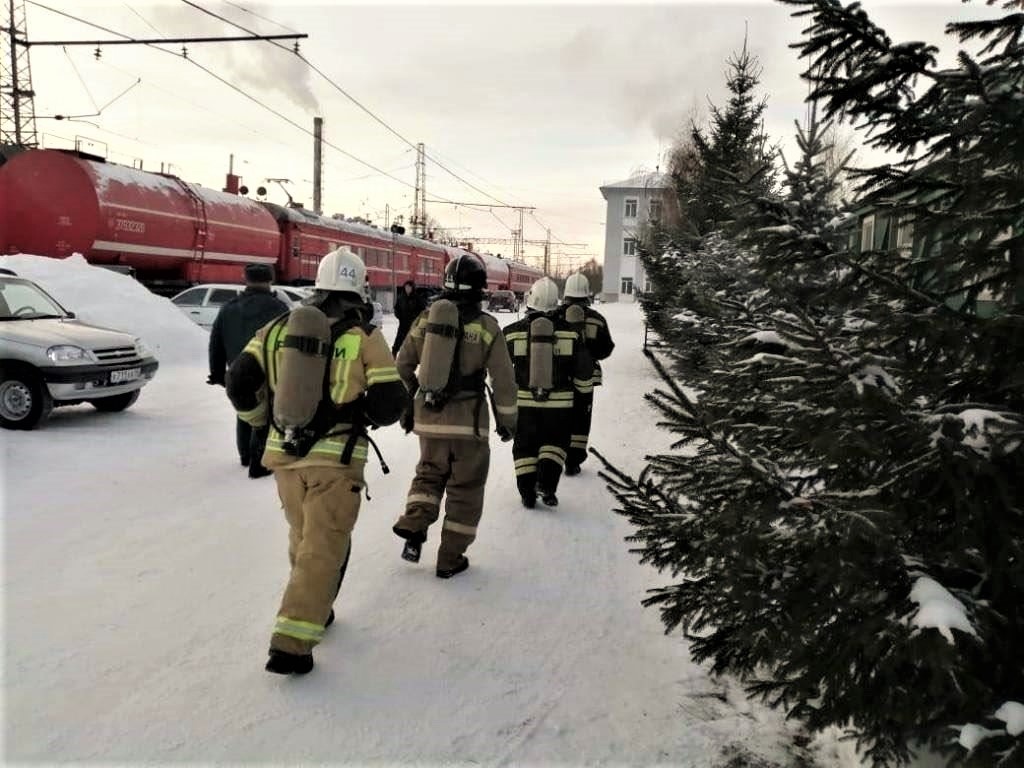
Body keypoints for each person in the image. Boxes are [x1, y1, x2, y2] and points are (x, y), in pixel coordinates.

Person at [226, 246, 405, 675]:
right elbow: (389, 402)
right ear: (358, 288)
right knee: (323, 549)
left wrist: (259, 422)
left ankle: (316, 606)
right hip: (335, 462)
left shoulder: (273, 329)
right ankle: (291, 643)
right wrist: (361, 413)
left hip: (284, 455)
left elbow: (240, 381)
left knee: (304, 539)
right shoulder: (363, 336)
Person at [391, 255, 518, 579]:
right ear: (480, 289)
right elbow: (503, 380)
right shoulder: (487, 326)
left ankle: (415, 523)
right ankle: (450, 558)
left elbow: (402, 365)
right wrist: (508, 422)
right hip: (469, 425)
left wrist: (413, 399)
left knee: (428, 475)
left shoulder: (425, 320)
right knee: (466, 488)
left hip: (429, 421)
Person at [502, 277, 592, 508]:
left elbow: (499, 371)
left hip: (524, 405)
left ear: (530, 300)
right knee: (555, 444)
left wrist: (502, 406)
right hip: (560, 407)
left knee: (524, 448)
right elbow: (583, 373)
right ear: (556, 303)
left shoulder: (511, 333)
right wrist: (582, 400)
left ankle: (527, 494)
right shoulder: (571, 333)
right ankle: (546, 485)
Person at [207, 263, 288, 478]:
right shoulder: (279, 309)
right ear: (270, 281)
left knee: (244, 412)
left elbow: (215, 342)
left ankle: (244, 455)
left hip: (236, 371)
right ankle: (260, 459)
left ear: (246, 279)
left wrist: (217, 374)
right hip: (269, 371)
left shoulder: (228, 308)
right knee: (267, 415)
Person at [557, 272, 615, 475]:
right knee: (581, 419)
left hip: (560, 378)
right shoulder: (597, 320)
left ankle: (555, 456)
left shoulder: (555, 315)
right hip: (586, 378)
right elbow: (606, 349)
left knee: (559, 417)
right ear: (587, 294)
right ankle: (573, 461)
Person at [392, 279, 427, 356]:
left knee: (413, 341)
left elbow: (422, 310)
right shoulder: (401, 297)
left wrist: (416, 318)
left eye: (409, 287)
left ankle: (413, 356)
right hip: (403, 323)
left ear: (412, 288)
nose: (407, 289)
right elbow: (396, 308)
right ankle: (394, 353)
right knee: (399, 339)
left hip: (413, 324)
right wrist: (398, 315)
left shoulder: (417, 298)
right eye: (406, 287)